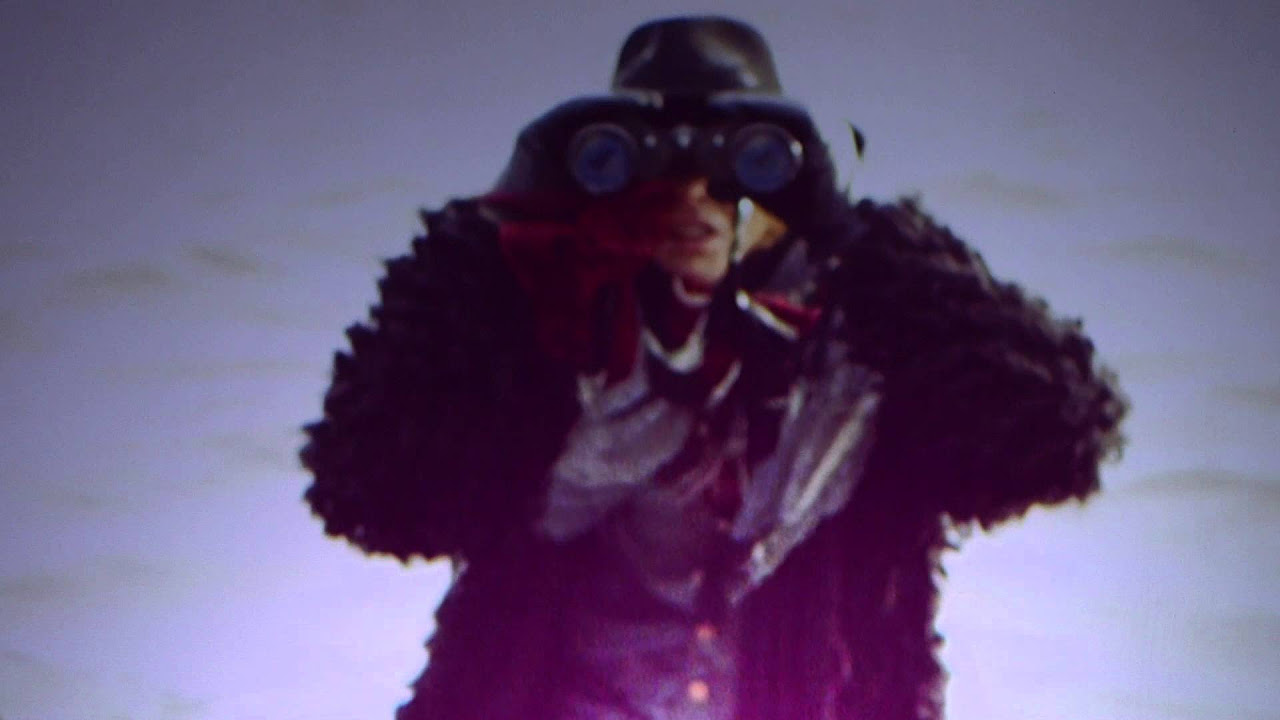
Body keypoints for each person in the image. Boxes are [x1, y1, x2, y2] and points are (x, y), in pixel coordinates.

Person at [300, 15, 1127, 720]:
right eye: (655, 170)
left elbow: (1058, 436)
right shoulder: (548, 321)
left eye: (740, 166)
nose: (695, 195)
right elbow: (367, 485)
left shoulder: (865, 333)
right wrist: (498, 226)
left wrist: (863, 236)